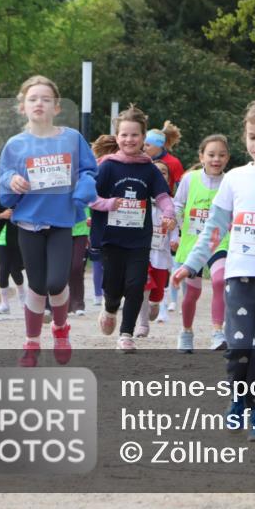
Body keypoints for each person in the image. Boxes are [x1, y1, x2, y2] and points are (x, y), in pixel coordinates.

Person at [174, 97, 255, 442]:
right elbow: (215, 226)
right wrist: (190, 264)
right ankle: (239, 397)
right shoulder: (235, 179)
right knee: (239, 344)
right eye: (252, 136)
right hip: (239, 272)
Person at [0, 76, 97, 367]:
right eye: (32, 99)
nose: (38, 103)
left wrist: (84, 188)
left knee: (56, 282)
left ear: (56, 107)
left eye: (45, 99)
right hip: (28, 222)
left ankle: (60, 329)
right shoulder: (15, 144)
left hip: (61, 221)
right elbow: (3, 175)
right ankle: (31, 343)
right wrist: (11, 181)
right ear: (22, 108)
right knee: (37, 285)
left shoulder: (71, 138)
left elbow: (89, 170)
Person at [90, 106, 175, 352]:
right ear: (117, 137)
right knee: (113, 286)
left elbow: (162, 196)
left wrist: (169, 214)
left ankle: (126, 334)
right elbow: (88, 196)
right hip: (110, 238)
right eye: (124, 135)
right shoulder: (107, 166)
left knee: (136, 284)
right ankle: (109, 306)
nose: (129, 140)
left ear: (144, 137)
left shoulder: (148, 168)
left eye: (135, 135)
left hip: (139, 238)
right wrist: (107, 204)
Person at [172, 135, 231, 352]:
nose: (216, 159)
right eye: (211, 155)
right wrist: (175, 225)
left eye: (222, 155)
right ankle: (186, 332)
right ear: (201, 156)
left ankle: (218, 331)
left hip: (219, 241)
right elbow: (178, 203)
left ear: (228, 158)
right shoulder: (190, 179)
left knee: (219, 281)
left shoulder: (230, 181)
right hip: (192, 243)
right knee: (192, 294)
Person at [136, 160, 178, 337]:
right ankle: (142, 324)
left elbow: (175, 225)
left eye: (164, 172)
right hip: (140, 252)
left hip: (161, 254)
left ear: (168, 178)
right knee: (142, 287)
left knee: (156, 293)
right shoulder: (139, 198)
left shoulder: (172, 203)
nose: (160, 175)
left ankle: (155, 304)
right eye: (156, 172)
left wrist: (175, 239)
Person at [88, 134, 119, 308]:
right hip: (108, 217)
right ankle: (107, 293)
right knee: (110, 260)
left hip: (99, 219)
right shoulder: (102, 167)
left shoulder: (94, 167)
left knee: (99, 260)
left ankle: (99, 294)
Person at [0, 209, 25, 314]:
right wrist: (1, 215)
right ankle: (4, 304)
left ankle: (22, 295)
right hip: (1, 238)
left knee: (15, 270)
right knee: (4, 270)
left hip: (18, 237)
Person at [145, 121, 184, 193]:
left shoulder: (174, 162)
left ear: (159, 145)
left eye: (147, 145)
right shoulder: (141, 160)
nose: (144, 148)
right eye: (143, 145)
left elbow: (182, 188)